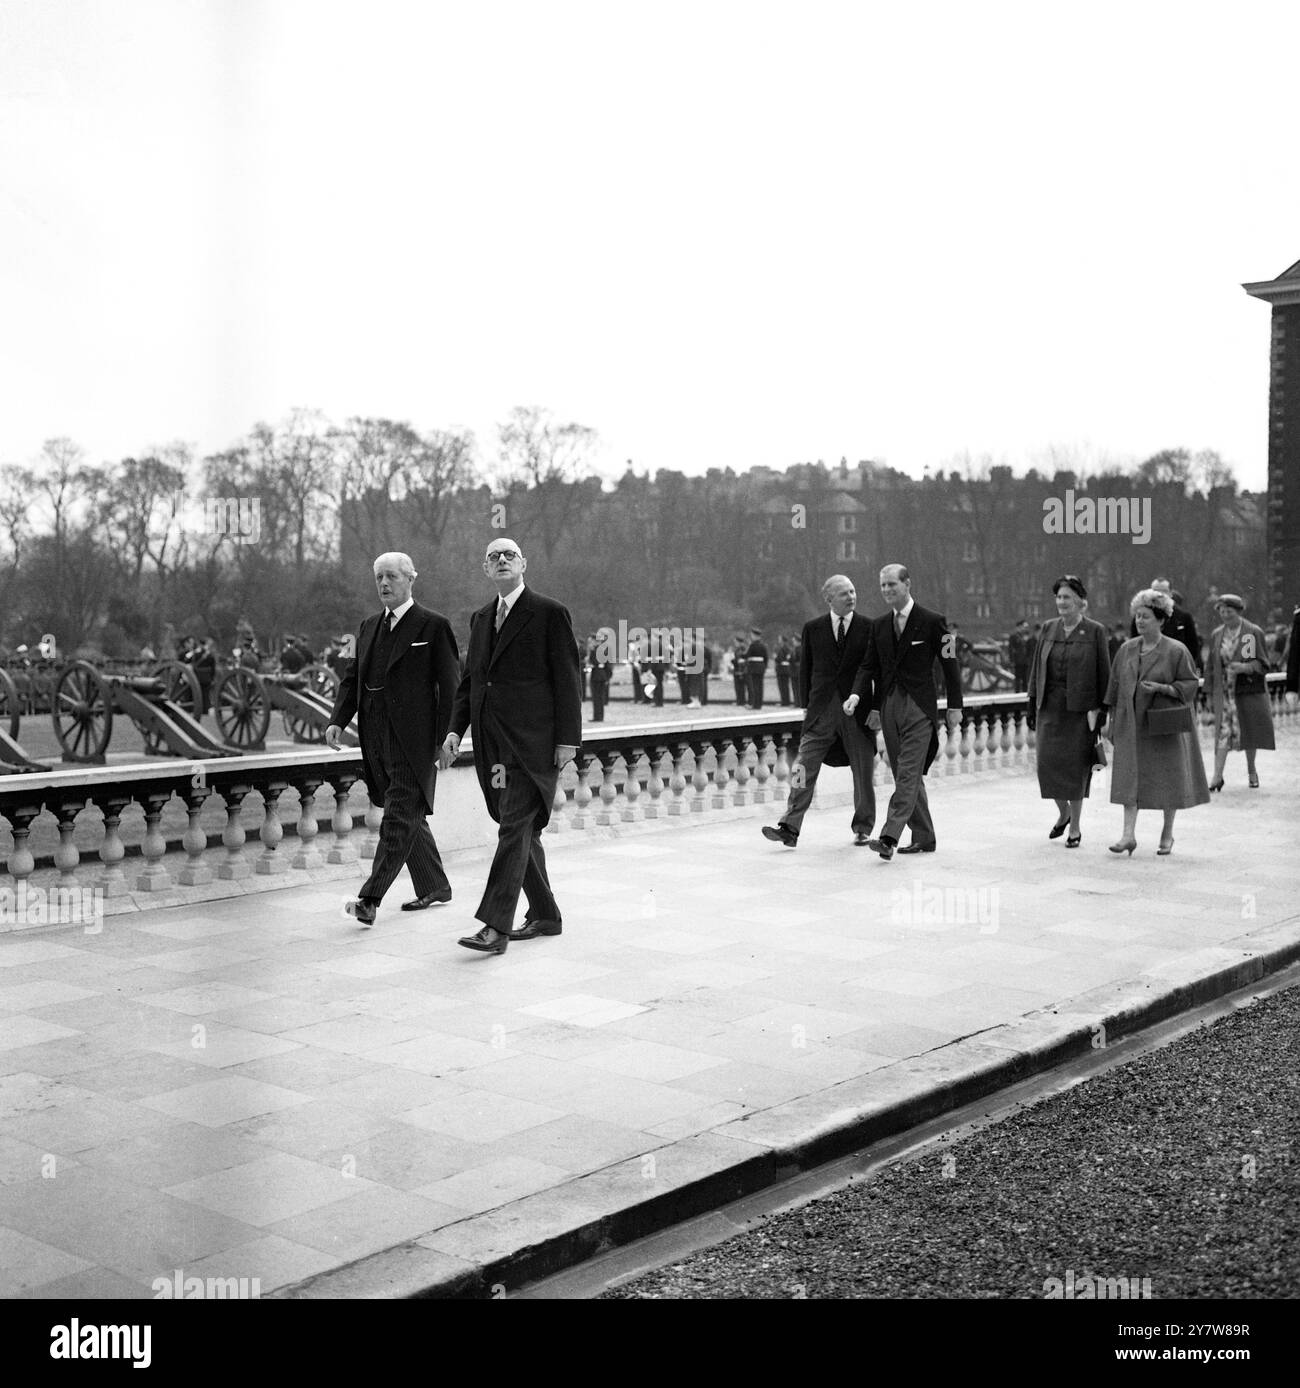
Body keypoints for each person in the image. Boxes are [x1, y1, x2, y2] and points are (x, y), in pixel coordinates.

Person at [441, 538, 582, 955]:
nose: (502, 560)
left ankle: (495, 925)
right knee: (518, 828)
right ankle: (545, 914)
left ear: (523, 564)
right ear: (486, 569)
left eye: (509, 555)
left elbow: (567, 679)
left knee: (514, 827)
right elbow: (471, 682)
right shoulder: (481, 618)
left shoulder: (550, 613)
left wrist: (568, 740)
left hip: (533, 745)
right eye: (493, 557)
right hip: (493, 747)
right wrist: (455, 730)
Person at [326, 552, 461, 927]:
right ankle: (434, 885)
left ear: (410, 579)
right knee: (405, 812)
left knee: (398, 818)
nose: (384, 584)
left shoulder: (434, 625)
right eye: (379, 578)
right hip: (374, 736)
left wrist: (448, 738)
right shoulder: (368, 626)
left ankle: (369, 899)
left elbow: (451, 687)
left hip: (415, 741)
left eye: (392, 577)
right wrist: (338, 720)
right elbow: (352, 678)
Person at [845, 563, 963, 859]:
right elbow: (868, 666)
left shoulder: (934, 621)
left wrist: (955, 705)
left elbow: (950, 663)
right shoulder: (879, 625)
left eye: (892, 584)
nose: (886, 590)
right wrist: (857, 695)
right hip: (889, 707)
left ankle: (889, 836)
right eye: (883, 585)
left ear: (907, 584)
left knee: (908, 772)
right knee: (904, 774)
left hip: (920, 707)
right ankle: (924, 837)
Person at [762, 574, 877, 849]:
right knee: (802, 766)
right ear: (829, 599)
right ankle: (789, 826)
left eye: (853, 591)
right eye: (844, 593)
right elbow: (806, 669)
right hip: (820, 711)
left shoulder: (869, 627)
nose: (851, 597)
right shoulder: (813, 628)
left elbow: (876, 670)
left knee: (863, 772)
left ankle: (863, 827)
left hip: (857, 712)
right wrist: (806, 706)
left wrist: (875, 708)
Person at [1103, 588, 1209, 856]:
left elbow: (1190, 684)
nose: (1139, 621)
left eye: (1146, 616)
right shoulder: (1126, 649)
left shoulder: (1176, 650)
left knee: (1168, 777)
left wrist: (1163, 688)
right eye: (1137, 616)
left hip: (1163, 725)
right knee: (1129, 779)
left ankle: (1167, 833)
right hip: (1131, 725)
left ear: (1161, 620)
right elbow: (1113, 688)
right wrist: (1111, 723)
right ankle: (1128, 835)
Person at [1027, 576, 1110, 848]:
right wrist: (1031, 701)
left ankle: (1075, 827)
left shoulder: (1095, 631)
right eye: (1059, 597)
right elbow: (1036, 668)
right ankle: (1063, 813)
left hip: (1079, 713)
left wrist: (1103, 709)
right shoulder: (1048, 628)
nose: (1062, 602)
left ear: (1080, 602)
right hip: (1049, 709)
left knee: (1075, 771)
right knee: (1046, 767)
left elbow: (1104, 673)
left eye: (1067, 598)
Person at [1204, 594, 1274, 791]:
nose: (1226, 615)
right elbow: (1210, 666)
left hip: (1246, 692)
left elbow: (1261, 663)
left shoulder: (1251, 633)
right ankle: (1217, 776)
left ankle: (1252, 770)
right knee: (1223, 733)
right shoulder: (1217, 634)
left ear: (1239, 612)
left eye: (1230, 612)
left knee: (1248, 731)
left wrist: (1245, 668)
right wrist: (1208, 693)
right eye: (1222, 611)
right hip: (1224, 693)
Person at [1129, 578, 1200, 671]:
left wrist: (1183, 666)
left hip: (1175, 668)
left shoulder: (1184, 617)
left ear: (1171, 593)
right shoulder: (1139, 617)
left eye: (1163, 591)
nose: (1159, 594)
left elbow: (1193, 646)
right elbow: (1134, 642)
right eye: (1155, 591)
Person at [589, 636, 612, 722]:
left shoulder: (594, 650)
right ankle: (600, 716)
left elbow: (592, 662)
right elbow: (608, 665)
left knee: (596, 697)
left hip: (596, 675)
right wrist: (608, 677)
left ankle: (597, 716)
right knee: (601, 697)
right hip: (603, 675)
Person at [744, 628, 768, 708]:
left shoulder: (752, 645)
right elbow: (766, 658)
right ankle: (759, 704)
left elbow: (747, 655)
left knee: (755, 687)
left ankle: (755, 705)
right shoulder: (763, 646)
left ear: (755, 636)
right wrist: (764, 667)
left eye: (752, 635)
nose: (751, 637)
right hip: (761, 667)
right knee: (760, 686)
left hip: (754, 668)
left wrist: (742, 655)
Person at [1008, 619, 1033, 693]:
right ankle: (1017, 693)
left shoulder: (1026, 636)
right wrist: (1012, 661)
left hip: (1025, 661)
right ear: (1019, 627)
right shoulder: (1014, 636)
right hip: (1018, 661)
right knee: (1018, 679)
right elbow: (1011, 649)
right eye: (1024, 627)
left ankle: (1025, 693)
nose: (1025, 628)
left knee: (1026, 679)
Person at [774, 635, 796, 705]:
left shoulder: (782, 648)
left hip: (782, 669)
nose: (779, 640)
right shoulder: (788, 648)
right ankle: (786, 701)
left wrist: (775, 658)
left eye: (780, 639)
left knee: (782, 686)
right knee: (785, 686)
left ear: (783, 640)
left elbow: (780, 659)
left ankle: (784, 701)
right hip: (786, 669)